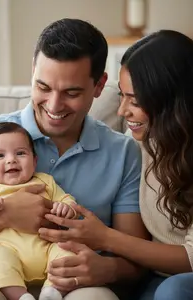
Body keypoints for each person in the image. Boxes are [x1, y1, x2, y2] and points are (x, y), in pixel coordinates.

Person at [0, 18, 148, 300]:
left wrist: (109, 269)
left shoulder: (123, 153)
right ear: (33, 72)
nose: (54, 106)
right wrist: (5, 214)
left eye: (71, 92)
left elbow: (136, 257)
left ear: (99, 85)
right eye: (43, 87)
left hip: (73, 278)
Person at [38, 30, 193, 300]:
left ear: (172, 99)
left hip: (177, 283)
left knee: (173, 290)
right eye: (122, 96)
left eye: (135, 100)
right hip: (156, 277)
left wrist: (105, 238)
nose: (121, 111)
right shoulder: (139, 146)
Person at [0, 121, 78, 300]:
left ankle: (52, 291)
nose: (11, 160)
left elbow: (66, 198)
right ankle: (21, 296)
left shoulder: (45, 181)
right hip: (8, 250)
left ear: (34, 161)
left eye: (20, 153)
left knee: (68, 252)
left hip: (48, 248)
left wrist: (66, 207)